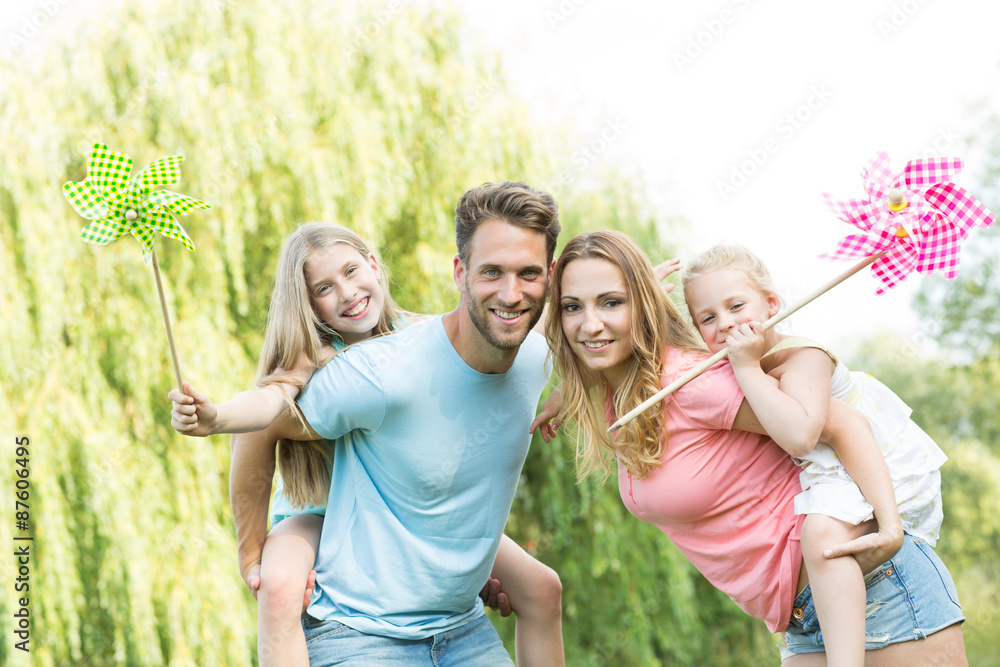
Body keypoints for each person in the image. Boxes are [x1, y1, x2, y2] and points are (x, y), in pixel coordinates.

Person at [537, 230, 967, 665]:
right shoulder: (621, 397)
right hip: (805, 617)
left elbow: (843, 423)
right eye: (572, 306)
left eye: (612, 302)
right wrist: (568, 388)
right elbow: (578, 341)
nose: (590, 323)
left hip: (874, 587)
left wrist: (891, 527)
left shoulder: (689, 381)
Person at [168, 218, 563, 666]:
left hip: (403, 510)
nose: (347, 293)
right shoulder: (316, 357)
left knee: (541, 586)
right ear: (309, 305)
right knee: (278, 587)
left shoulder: (417, 334)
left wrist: (577, 376)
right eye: (324, 288)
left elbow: (536, 314)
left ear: (374, 265)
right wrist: (217, 419)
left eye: (351, 271)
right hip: (319, 510)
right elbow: (263, 410)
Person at [679, 242, 949, 665]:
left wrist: (747, 368)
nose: (726, 323)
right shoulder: (727, 364)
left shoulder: (804, 356)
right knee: (817, 531)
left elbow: (801, 437)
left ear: (771, 304)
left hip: (876, 468)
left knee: (820, 534)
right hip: (833, 472)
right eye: (707, 318)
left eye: (736, 306)